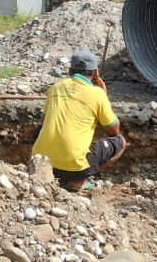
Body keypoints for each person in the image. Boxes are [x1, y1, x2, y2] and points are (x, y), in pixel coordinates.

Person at [31, 50, 126, 191]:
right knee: (120, 141)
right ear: (94, 73)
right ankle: (79, 181)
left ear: (70, 71)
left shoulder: (54, 89)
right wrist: (104, 97)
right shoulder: (97, 94)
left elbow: (45, 122)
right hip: (74, 168)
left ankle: (45, 174)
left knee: (41, 130)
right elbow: (114, 130)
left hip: (42, 162)